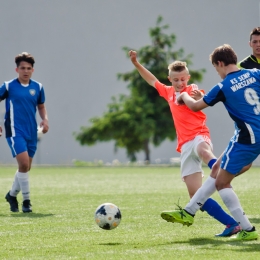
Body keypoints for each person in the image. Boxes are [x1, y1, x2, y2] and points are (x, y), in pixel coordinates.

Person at [129, 50, 241, 237]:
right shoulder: (168, 92)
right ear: (170, 80)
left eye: (183, 79)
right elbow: (151, 80)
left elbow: (199, 98)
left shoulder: (192, 90)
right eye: (176, 80)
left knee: (204, 150)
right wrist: (136, 63)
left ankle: (219, 169)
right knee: (195, 195)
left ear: (187, 78)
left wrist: (197, 96)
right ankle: (231, 224)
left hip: (199, 135)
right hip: (184, 146)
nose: (180, 83)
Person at [162, 44, 259, 241]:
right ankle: (188, 211)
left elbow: (197, 107)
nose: (217, 72)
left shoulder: (223, 86)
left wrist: (184, 95)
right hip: (250, 133)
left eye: (216, 68)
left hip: (247, 137)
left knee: (222, 182)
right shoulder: (256, 73)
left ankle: (246, 230)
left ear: (220, 63)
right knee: (216, 172)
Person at [0, 52, 49, 213]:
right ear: (17, 70)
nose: (25, 71)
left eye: (28, 68)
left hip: (31, 131)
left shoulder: (38, 87)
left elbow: (41, 106)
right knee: (23, 164)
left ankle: (12, 194)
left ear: (32, 70)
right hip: (14, 130)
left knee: (25, 168)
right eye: (22, 68)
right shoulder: (8, 86)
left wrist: (45, 120)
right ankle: (26, 201)